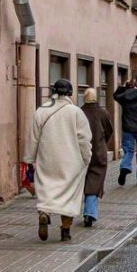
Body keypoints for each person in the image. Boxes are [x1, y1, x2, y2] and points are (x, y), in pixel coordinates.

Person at [22, 79, 92, 242]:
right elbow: (84, 139)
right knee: (69, 195)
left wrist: (29, 159)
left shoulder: (41, 111)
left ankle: (44, 213)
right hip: (71, 162)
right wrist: (86, 158)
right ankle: (65, 231)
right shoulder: (76, 112)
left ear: (53, 91)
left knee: (46, 189)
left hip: (47, 159)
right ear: (70, 93)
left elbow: (33, 138)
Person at [79, 88, 113, 228]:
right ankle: (90, 213)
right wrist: (103, 143)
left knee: (83, 182)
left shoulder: (79, 113)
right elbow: (109, 131)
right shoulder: (103, 113)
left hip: (80, 153)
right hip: (99, 152)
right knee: (95, 181)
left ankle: (77, 211)